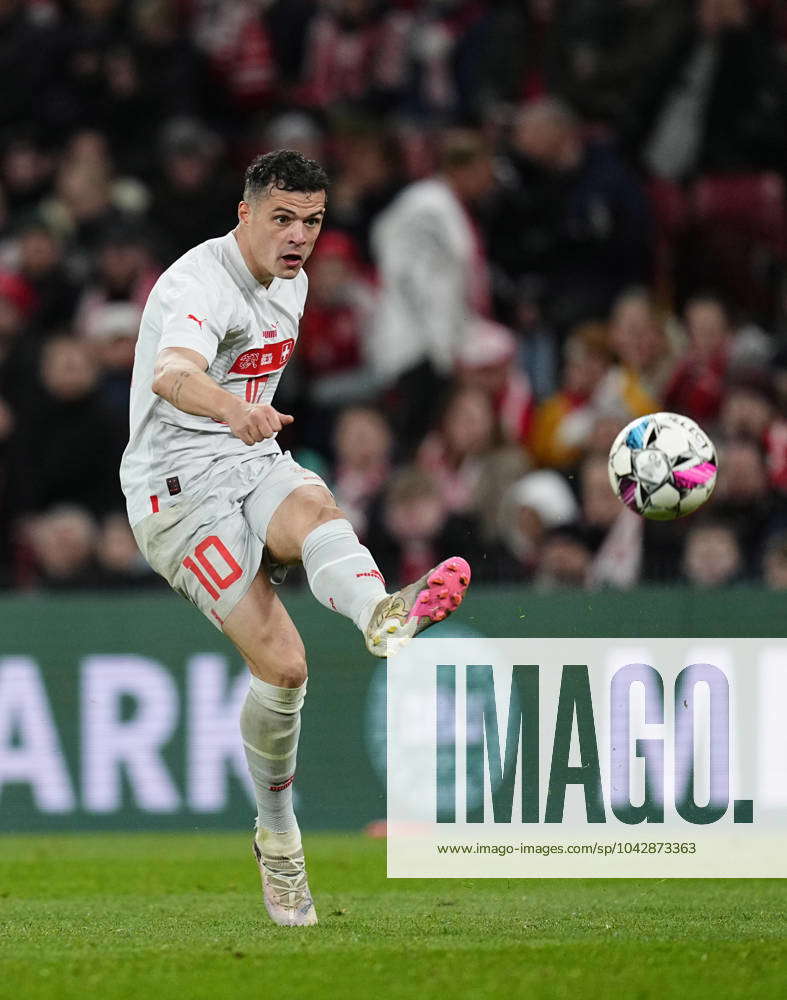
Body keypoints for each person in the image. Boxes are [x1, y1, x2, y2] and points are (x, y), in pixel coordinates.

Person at [119, 150, 471, 928]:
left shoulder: (295, 281)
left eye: (311, 221)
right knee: (283, 669)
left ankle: (381, 613)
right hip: (174, 496)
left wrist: (245, 430)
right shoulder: (197, 283)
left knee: (315, 509)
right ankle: (277, 844)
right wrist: (230, 409)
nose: (298, 236)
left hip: (246, 459)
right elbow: (171, 375)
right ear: (244, 213)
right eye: (282, 218)